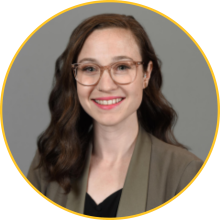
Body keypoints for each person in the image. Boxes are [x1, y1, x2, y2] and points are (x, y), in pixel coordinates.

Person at [27, 13, 203, 217]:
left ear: (146, 74)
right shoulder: (49, 165)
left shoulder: (184, 173)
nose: (105, 85)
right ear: (74, 78)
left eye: (121, 67)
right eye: (90, 68)